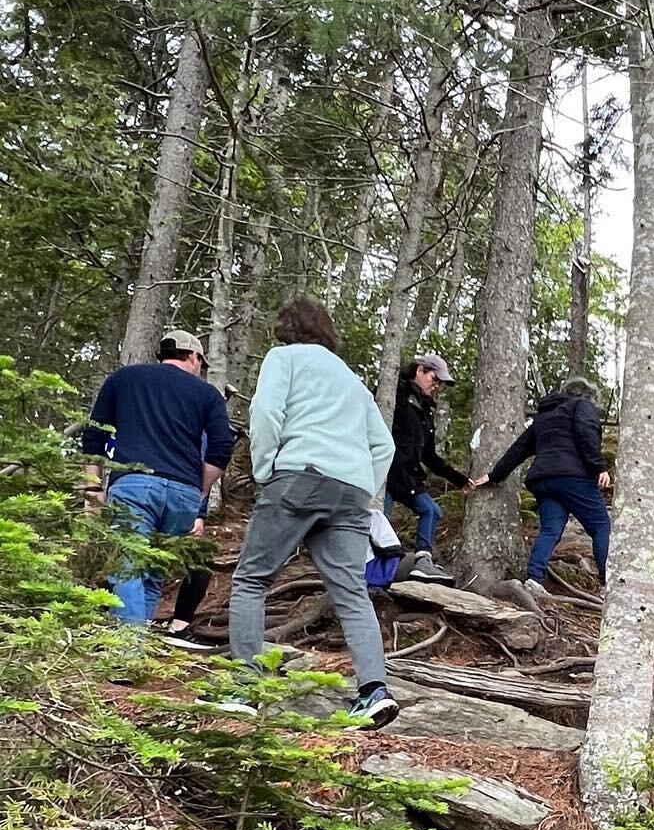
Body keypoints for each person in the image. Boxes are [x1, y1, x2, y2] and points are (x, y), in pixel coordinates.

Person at [222, 299, 399, 728]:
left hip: (298, 477)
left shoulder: (284, 358)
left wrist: (265, 470)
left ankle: (245, 688)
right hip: (351, 491)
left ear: (286, 327)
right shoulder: (352, 381)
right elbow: (385, 446)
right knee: (352, 594)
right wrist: (362, 489)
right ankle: (374, 691)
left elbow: (265, 412)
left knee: (251, 579)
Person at [81, 329, 235, 625]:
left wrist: (92, 486)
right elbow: (221, 447)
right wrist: (200, 488)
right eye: (201, 363)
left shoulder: (124, 379)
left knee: (129, 566)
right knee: (152, 572)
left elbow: (94, 433)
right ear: (193, 357)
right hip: (184, 494)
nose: (200, 370)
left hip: (133, 484)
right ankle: (133, 649)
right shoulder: (207, 395)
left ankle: (127, 651)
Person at [474, 377, 611, 595]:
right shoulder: (582, 405)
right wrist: (599, 467)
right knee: (601, 526)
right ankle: (609, 585)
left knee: (551, 529)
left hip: (543, 481)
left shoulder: (544, 416)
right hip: (572, 477)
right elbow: (586, 433)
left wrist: (495, 475)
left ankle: (534, 578)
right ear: (588, 396)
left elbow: (519, 448)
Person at [386, 354, 478, 581]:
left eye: (440, 383)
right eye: (434, 379)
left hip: (408, 476)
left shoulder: (426, 410)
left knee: (431, 510)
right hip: (385, 472)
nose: (436, 386)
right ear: (420, 371)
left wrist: (459, 479)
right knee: (381, 520)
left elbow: (428, 455)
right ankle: (374, 571)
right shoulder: (394, 393)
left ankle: (422, 561)